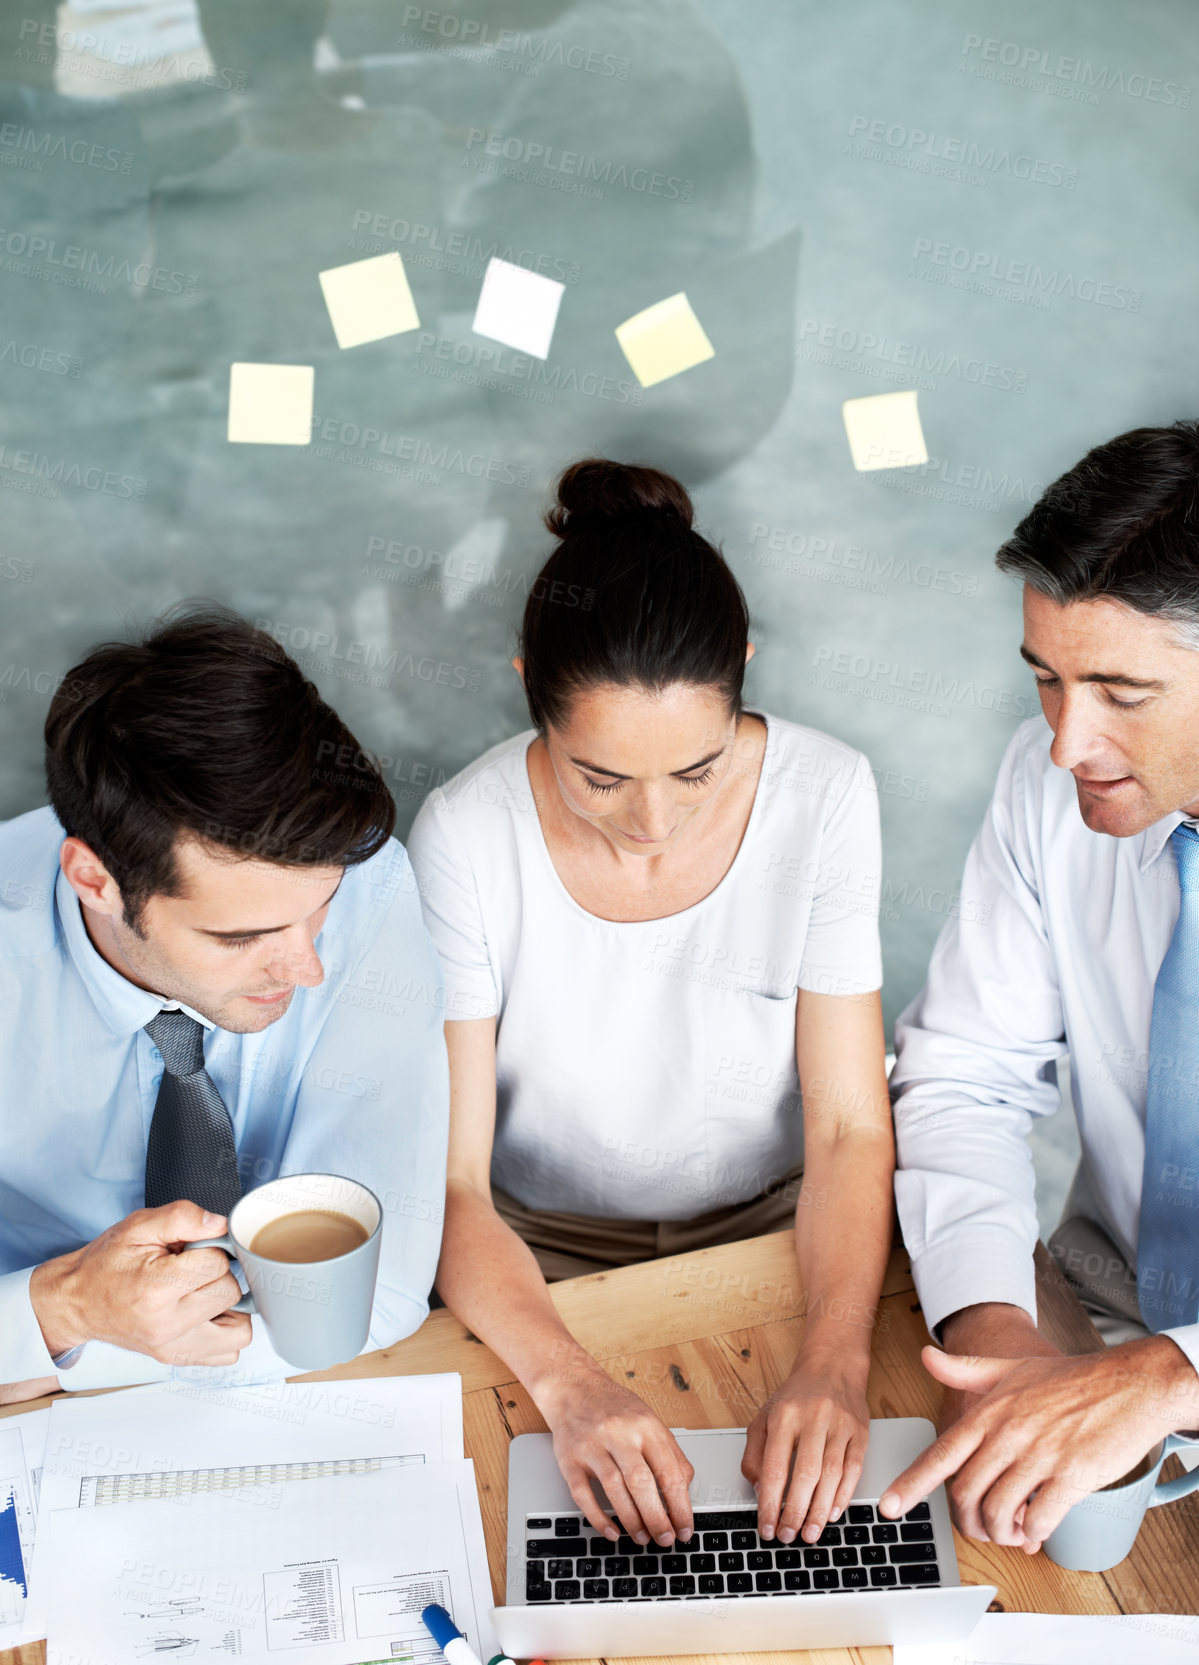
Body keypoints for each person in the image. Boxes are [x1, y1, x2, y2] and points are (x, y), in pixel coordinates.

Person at [407, 458, 894, 1553]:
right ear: (528, 682)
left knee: (832, 1517)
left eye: (696, 771)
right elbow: (449, 1184)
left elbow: (849, 1128)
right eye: (597, 778)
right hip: (537, 1258)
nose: (650, 826)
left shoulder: (825, 794)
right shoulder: (462, 833)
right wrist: (568, 1385)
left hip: (783, 1233)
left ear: (743, 677)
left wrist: (831, 1362)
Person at [883, 420, 1199, 1551]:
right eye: (1047, 683)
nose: (1067, 744)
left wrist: (1172, 1379)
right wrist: (1001, 1336)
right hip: (1095, 1311)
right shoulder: (1048, 786)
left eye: (1120, 691)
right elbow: (963, 1075)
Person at [0, 605, 448, 1403]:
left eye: (319, 910)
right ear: (95, 881)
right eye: (241, 935)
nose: (308, 966)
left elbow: (372, 1298)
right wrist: (63, 1306)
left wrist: (43, 1353)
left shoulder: (369, 882)